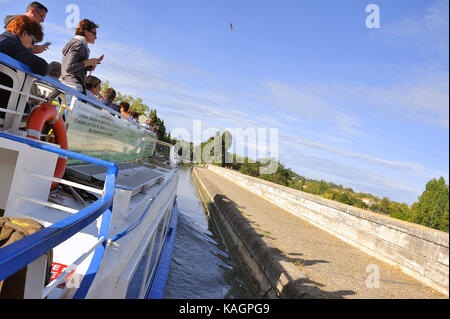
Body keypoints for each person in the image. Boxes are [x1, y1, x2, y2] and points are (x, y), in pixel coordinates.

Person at [60, 19, 101, 94]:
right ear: (86, 32)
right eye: (94, 33)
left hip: (68, 84)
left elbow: (74, 66)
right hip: (72, 87)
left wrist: (90, 65)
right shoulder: (79, 44)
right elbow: (69, 67)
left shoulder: (78, 43)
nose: (96, 37)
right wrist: (89, 62)